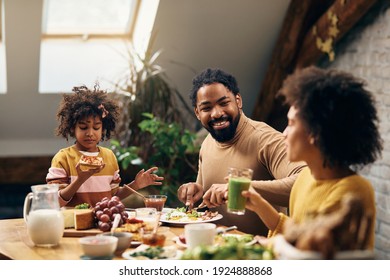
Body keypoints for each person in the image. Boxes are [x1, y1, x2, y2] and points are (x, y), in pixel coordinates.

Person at [242, 66, 383, 250]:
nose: (284, 133)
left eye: (291, 123)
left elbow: (309, 252)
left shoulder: (353, 192)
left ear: (314, 132)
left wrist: (261, 246)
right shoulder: (306, 176)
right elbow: (298, 233)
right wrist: (260, 205)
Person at [177, 68, 306, 235]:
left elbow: (304, 182)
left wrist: (239, 188)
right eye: (207, 108)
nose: (217, 113)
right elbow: (207, 196)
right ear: (197, 113)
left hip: (259, 252)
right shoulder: (207, 143)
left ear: (238, 101)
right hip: (214, 248)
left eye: (224, 103)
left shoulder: (265, 139)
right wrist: (194, 191)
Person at [46, 84, 164, 207]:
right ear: (72, 128)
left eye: (96, 127)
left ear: (103, 129)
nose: (90, 133)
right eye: (83, 127)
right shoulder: (63, 157)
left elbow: (113, 196)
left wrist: (136, 184)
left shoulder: (109, 156)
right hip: (73, 224)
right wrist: (80, 179)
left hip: (103, 222)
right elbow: (55, 201)